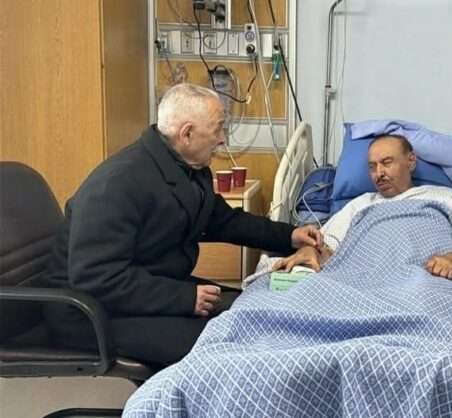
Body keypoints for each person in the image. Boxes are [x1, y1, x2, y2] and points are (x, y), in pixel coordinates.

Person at [44, 83, 322, 367]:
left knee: (244, 310)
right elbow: (96, 277)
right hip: (89, 313)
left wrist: (290, 235)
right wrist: (183, 298)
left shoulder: (187, 168)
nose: (222, 140)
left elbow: (224, 221)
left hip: (144, 288)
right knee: (225, 345)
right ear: (186, 134)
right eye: (218, 129)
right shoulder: (116, 184)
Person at [273, 134, 452, 281]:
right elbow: (323, 249)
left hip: (429, 285)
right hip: (365, 284)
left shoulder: (444, 197)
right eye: (372, 167)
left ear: (411, 161)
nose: (378, 173)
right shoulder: (361, 205)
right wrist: (310, 251)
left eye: (387, 163)